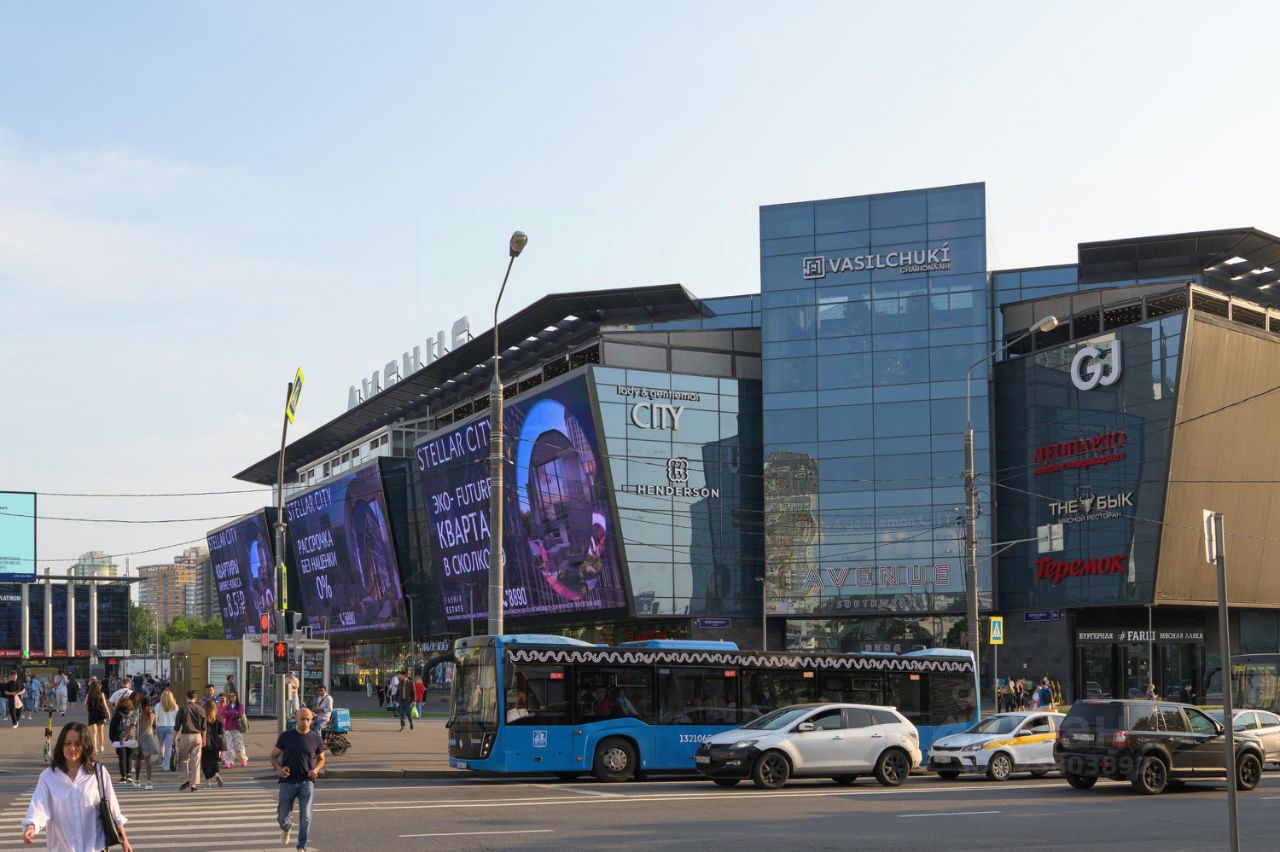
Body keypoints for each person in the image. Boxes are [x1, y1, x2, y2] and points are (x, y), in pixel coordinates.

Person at [22, 721, 133, 852]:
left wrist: (124, 840)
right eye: (67, 743)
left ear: (85, 746)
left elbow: (113, 809)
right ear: (61, 745)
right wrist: (31, 826)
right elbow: (39, 805)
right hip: (63, 847)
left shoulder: (98, 772)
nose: (72, 748)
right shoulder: (48, 777)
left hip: (94, 847)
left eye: (77, 744)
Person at [271, 707, 326, 851]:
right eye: (302, 719)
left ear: (311, 720)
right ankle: (286, 827)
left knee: (306, 817)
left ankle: (301, 847)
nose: (305, 722)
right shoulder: (286, 736)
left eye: (308, 719)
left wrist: (315, 770)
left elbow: (321, 759)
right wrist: (279, 770)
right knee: (282, 817)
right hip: (287, 781)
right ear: (295, 718)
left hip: (306, 782)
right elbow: (273, 756)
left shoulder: (316, 738)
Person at [175, 690, 207, 791]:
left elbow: (177, 726)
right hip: (197, 736)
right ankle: (194, 784)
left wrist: (173, 738)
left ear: (186, 697)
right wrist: (204, 738)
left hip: (185, 735)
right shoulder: (201, 709)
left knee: (183, 759)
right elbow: (204, 727)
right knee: (196, 761)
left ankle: (185, 779)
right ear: (195, 698)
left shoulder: (182, 709)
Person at [107, 696, 137, 786]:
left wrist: (112, 739)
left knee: (122, 758)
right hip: (131, 738)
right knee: (129, 757)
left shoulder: (117, 715)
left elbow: (112, 728)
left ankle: (123, 777)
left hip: (119, 739)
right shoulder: (133, 714)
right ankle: (129, 775)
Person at [134, 696, 160, 790]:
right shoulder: (152, 715)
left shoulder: (138, 714)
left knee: (137, 759)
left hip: (139, 738)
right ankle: (149, 781)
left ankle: (137, 779)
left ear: (141, 704)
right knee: (148, 760)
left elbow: (134, 726)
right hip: (149, 737)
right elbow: (155, 727)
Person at [200, 702, 225, 787]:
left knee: (205, 762)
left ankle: (208, 782)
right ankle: (217, 773)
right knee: (214, 761)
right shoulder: (217, 717)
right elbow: (220, 732)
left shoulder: (202, 717)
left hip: (205, 742)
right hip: (215, 743)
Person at [221, 692, 248, 767]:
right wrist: (234, 713)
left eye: (233, 696)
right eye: (230, 696)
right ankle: (229, 762)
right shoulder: (227, 706)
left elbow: (240, 714)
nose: (232, 697)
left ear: (236, 696)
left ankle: (243, 759)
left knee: (239, 745)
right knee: (229, 746)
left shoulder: (240, 706)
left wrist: (229, 714)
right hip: (228, 728)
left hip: (237, 728)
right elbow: (223, 714)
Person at [156, 689, 179, 772]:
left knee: (161, 745)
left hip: (160, 727)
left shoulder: (158, 705)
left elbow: (155, 717)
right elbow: (177, 718)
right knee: (168, 747)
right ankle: (166, 765)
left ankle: (161, 760)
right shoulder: (175, 706)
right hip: (171, 727)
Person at [84, 681, 109, 753]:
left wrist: (88, 711)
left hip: (92, 714)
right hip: (100, 714)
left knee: (93, 732)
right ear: (98, 687)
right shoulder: (101, 694)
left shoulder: (89, 694)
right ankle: (101, 746)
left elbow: (85, 704)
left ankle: (95, 748)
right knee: (101, 732)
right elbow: (105, 704)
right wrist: (108, 713)